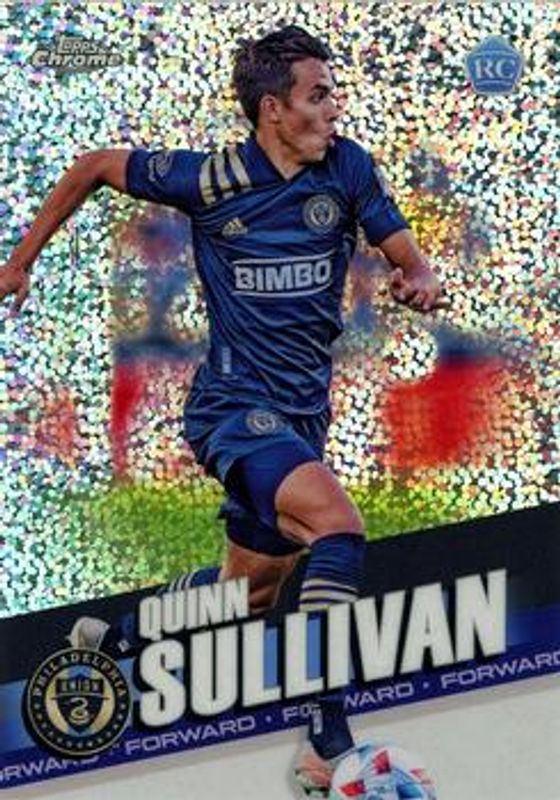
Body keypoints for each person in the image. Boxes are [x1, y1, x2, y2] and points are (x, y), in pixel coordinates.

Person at [0, 25, 442, 799]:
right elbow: (95, 165)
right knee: (338, 527)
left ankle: (114, 640)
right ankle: (327, 742)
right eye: (318, 96)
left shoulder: (347, 167)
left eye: (333, 93)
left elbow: (408, 256)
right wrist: (18, 262)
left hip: (301, 419)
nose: (334, 108)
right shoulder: (210, 179)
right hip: (233, 410)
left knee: (249, 595)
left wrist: (420, 279)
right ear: (274, 110)